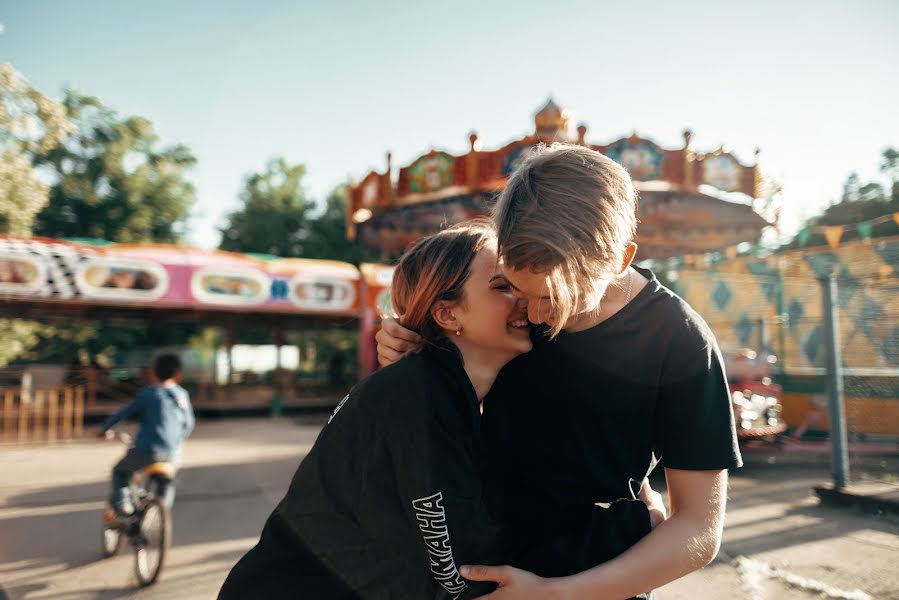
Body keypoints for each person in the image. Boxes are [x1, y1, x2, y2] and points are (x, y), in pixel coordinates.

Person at [376, 144, 742, 599]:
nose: (528, 312)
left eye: (553, 297)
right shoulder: (511, 305)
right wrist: (404, 345)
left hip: (596, 574)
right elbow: (440, 397)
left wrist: (554, 594)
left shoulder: (680, 341)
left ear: (621, 260)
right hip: (482, 559)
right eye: (513, 286)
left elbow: (699, 530)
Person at [218, 222, 657, 600]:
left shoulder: (439, 389)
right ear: (448, 314)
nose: (526, 299)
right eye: (503, 286)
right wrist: (632, 526)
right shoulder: (418, 393)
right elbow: (465, 568)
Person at [99, 353, 195, 515]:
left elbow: (124, 413)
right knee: (167, 480)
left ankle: (124, 505)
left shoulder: (149, 393)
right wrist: (176, 442)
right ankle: (162, 511)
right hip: (172, 454)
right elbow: (189, 424)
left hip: (146, 450)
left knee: (120, 470)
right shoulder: (181, 395)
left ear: (153, 372)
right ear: (178, 375)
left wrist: (104, 429)